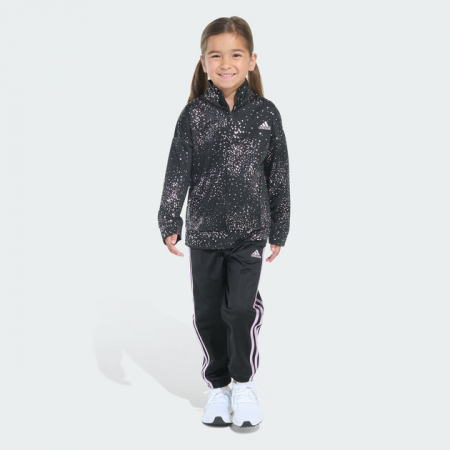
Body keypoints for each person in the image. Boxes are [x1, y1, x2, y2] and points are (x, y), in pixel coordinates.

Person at [157, 16, 290, 428]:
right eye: (216, 55)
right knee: (209, 314)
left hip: (250, 233)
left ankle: (243, 385)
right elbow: (177, 170)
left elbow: (278, 175)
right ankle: (218, 388)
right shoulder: (193, 115)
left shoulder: (266, 113)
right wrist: (169, 219)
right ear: (204, 63)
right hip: (204, 235)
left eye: (235, 54)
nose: (226, 63)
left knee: (239, 311)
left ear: (251, 60)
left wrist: (280, 228)